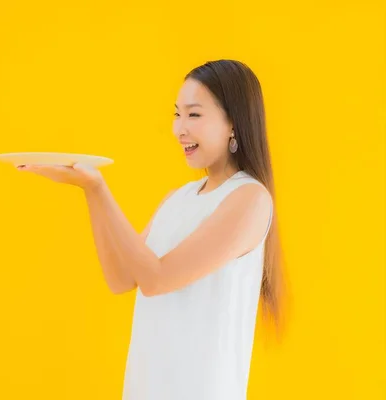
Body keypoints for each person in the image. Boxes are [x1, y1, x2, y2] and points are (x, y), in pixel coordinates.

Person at [17, 59, 285, 400]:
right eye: (177, 114)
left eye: (194, 115)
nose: (179, 129)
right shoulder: (178, 198)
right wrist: (89, 191)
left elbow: (157, 278)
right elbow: (122, 278)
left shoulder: (249, 199)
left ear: (233, 123)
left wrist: (99, 188)